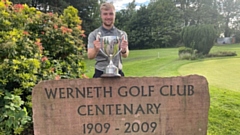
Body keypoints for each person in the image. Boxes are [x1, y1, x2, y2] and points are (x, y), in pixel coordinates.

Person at [87, 2, 129, 78]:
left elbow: (125, 55)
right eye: (105, 14)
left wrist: (123, 50)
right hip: (99, 73)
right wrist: (96, 49)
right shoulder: (93, 34)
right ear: (101, 16)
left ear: (115, 15)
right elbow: (90, 56)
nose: (108, 17)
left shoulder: (122, 34)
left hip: (117, 73)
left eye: (111, 14)